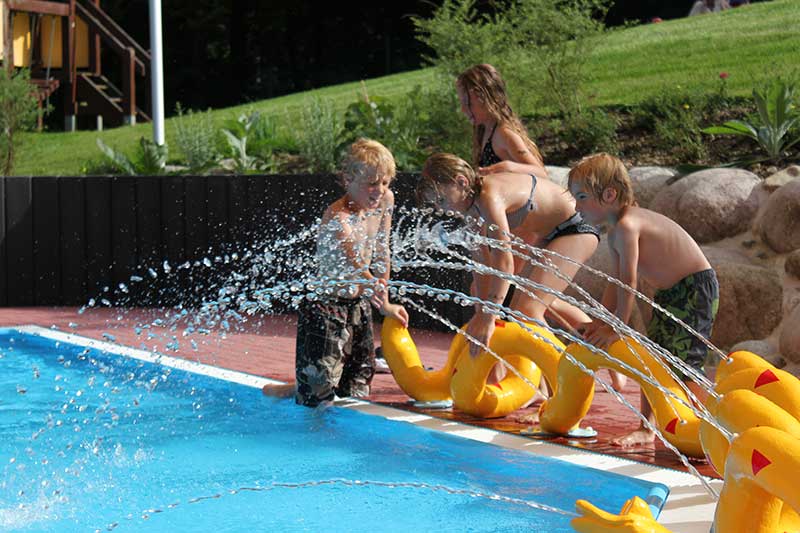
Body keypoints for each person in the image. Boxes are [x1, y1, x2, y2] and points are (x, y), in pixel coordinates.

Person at [568, 153, 719, 447]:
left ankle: (716, 428)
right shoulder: (616, 231)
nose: (577, 206)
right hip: (673, 292)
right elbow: (615, 282)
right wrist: (599, 320)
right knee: (655, 359)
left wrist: (617, 327)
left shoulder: (627, 227)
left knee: (683, 363)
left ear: (609, 194)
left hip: (694, 289)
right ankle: (647, 428)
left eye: (582, 197)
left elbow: (629, 283)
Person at [262, 139, 408, 407]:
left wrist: (384, 303)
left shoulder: (385, 201)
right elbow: (357, 267)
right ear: (348, 179)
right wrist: (379, 296)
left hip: (358, 306)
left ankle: (298, 387)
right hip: (326, 310)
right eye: (372, 183)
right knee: (317, 395)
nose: (380, 190)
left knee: (357, 383)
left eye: (385, 182)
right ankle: (297, 394)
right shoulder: (338, 217)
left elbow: (382, 250)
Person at [416, 153, 600, 360]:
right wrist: (481, 313)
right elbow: (482, 266)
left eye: (442, 200)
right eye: (437, 204)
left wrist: (488, 317)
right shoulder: (470, 208)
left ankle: (568, 374)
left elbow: (504, 263)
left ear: (461, 182)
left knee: (527, 309)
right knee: (524, 302)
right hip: (550, 235)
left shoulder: (489, 197)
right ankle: (599, 348)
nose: (442, 209)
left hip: (577, 228)